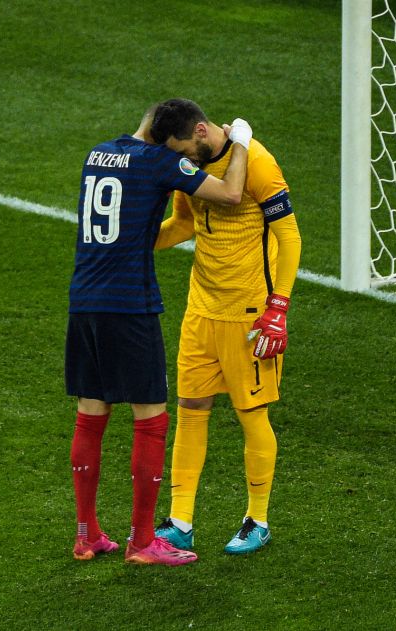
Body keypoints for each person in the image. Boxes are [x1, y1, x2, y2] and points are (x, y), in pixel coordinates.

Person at [66, 103, 253, 565]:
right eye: (193, 146)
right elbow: (231, 194)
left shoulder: (97, 153)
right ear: (178, 137)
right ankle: (144, 541)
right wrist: (243, 141)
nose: (195, 153)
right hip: (130, 305)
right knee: (151, 418)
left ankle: (87, 534)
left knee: (91, 409)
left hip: (84, 298)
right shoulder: (161, 162)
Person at [150, 98, 302, 555]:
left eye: (181, 148)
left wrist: (279, 307)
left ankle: (257, 518)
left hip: (249, 314)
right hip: (201, 309)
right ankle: (180, 520)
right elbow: (183, 223)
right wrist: (135, 241)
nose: (180, 159)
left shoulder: (256, 160)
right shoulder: (184, 162)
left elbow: (288, 236)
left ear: (200, 131)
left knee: (250, 414)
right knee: (190, 407)